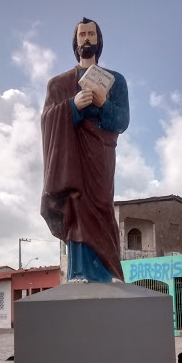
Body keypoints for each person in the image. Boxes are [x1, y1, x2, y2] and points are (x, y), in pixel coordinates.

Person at [40, 17, 130, 284]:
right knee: (76, 204)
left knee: (102, 205)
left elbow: (122, 121)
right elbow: (46, 120)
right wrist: (71, 106)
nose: (87, 39)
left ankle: (109, 270)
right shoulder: (58, 84)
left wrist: (103, 102)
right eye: (82, 35)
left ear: (99, 40)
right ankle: (78, 272)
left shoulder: (116, 81)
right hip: (72, 152)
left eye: (91, 34)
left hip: (101, 151)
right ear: (75, 42)